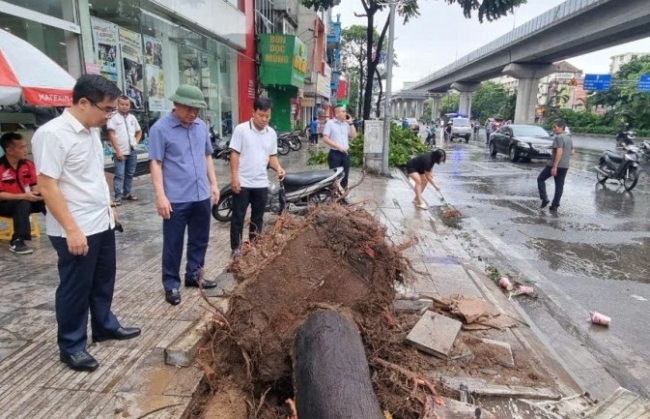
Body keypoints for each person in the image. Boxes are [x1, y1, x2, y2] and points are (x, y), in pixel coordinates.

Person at [32, 75, 141, 372]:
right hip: (75, 227)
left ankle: (104, 325)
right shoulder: (52, 134)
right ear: (83, 103)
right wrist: (71, 229)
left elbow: (93, 176)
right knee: (75, 287)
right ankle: (71, 345)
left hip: (100, 221)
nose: (109, 116)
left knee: (103, 279)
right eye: (106, 109)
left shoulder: (91, 130)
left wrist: (110, 208)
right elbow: (48, 185)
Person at [149, 84, 220, 306]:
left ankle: (194, 275)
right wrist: (161, 195)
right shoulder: (160, 129)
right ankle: (171, 284)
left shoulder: (201, 126)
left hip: (200, 195)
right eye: (189, 108)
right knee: (173, 243)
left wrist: (214, 184)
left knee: (200, 239)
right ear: (176, 104)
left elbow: (207, 156)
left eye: (197, 110)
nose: (193, 114)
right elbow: (156, 163)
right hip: (176, 198)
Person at [229, 98, 285, 259]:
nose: (264, 119)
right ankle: (236, 248)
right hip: (243, 182)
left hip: (261, 183)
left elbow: (271, 157)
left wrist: (279, 167)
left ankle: (254, 245)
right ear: (253, 112)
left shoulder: (271, 133)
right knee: (238, 216)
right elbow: (234, 154)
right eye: (261, 115)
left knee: (258, 217)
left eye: (267, 116)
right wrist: (234, 177)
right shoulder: (241, 130)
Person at [0, 132, 46, 254]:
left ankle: (64, 229)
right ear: (9, 151)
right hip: (4, 205)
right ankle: (17, 241)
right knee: (23, 203)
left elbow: (34, 185)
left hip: (24, 201)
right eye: (21, 147)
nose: (26, 150)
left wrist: (37, 194)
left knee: (47, 197)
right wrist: (25, 196)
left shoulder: (28, 165)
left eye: (26, 146)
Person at [107, 95, 142, 206]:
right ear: (118, 104)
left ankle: (127, 193)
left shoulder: (132, 118)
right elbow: (111, 134)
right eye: (122, 104)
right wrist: (118, 151)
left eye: (126, 104)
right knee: (119, 175)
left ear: (129, 105)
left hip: (132, 150)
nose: (124, 106)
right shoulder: (113, 117)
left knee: (130, 174)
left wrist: (135, 142)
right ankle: (118, 196)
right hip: (120, 151)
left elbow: (139, 131)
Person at [537, 118, 574, 212]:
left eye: (555, 127)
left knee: (540, 179)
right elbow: (572, 152)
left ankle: (544, 199)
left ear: (561, 127)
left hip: (554, 164)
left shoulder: (558, 137)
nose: (553, 129)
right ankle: (555, 205)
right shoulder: (568, 138)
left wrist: (554, 166)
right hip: (565, 166)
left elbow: (559, 152)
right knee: (559, 185)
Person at [322, 105, 358, 193]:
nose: (346, 113)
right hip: (335, 154)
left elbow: (354, 136)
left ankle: (343, 196)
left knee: (345, 176)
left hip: (345, 154)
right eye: (343, 111)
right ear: (337, 113)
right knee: (335, 177)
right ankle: (334, 197)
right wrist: (338, 146)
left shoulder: (346, 124)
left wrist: (351, 123)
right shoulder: (330, 123)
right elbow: (325, 138)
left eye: (345, 111)